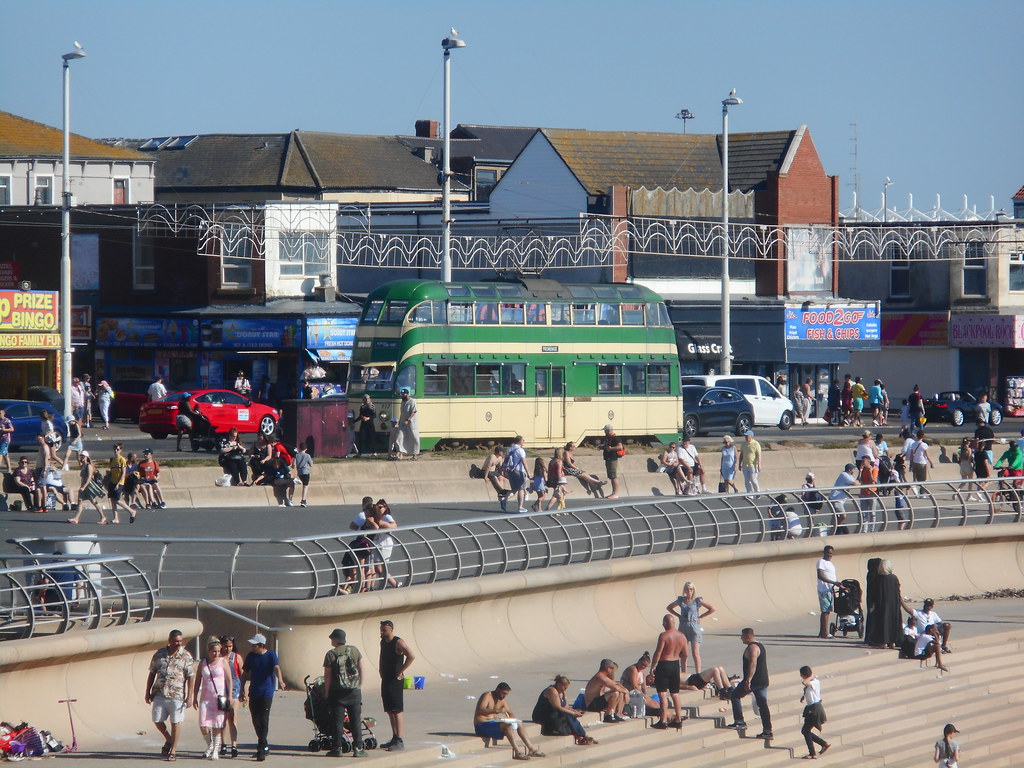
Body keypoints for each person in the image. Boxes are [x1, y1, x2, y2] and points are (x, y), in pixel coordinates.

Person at [145, 629, 195, 762]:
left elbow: (190, 677)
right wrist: (147, 692)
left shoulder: (186, 656)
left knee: (175, 722)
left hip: (176, 695)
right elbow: (152, 673)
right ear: (169, 641)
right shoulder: (159, 654)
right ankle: (169, 738)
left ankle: (173, 750)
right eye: (176, 641)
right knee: (157, 720)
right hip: (160, 693)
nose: (178, 643)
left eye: (180, 641)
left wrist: (190, 696)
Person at [322, 628, 367, 758]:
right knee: (355, 720)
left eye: (332, 638)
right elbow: (361, 668)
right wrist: (359, 685)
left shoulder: (331, 654)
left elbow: (327, 676)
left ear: (335, 640)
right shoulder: (354, 650)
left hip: (337, 693)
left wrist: (326, 691)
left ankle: (337, 748)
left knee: (338, 721)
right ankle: (358, 748)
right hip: (354, 691)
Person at [240, 633, 284, 761]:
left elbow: (277, 668)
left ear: (261, 645)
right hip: (254, 692)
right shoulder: (251, 656)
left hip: (266, 692)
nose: (252, 647)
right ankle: (264, 745)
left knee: (264, 718)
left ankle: (261, 748)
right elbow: (245, 673)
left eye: (254, 645)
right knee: (255, 719)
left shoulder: (270, 655)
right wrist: (242, 689)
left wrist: (280, 680)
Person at [473, 682, 545, 758]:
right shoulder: (487, 695)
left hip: (494, 723)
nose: (504, 696)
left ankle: (531, 749)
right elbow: (480, 710)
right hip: (482, 725)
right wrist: (496, 711)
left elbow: (511, 713)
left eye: (506, 694)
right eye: (503, 693)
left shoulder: (502, 700)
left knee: (519, 723)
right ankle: (517, 751)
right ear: (498, 690)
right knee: (507, 726)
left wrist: (511, 720)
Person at [727, 627, 773, 739]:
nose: (740, 638)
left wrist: (748, 680)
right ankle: (767, 731)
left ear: (748, 636)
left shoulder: (752, 647)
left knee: (735, 695)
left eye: (742, 636)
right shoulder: (760, 645)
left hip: (754, 681)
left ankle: (739, 721)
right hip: (763, 680)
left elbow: (753, 663)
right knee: (763, 705)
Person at [193, 636, 232, 760]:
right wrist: (194, 696)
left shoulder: (223, 662)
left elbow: (229, 680)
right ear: (209, 650)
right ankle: (210, 745)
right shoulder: (203, 663)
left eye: (218, 651)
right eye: (213, 651)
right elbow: (198, 680)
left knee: (216, 724)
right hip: (205, 698)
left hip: (218, 698)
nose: (216, 653)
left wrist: (230, 695)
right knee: (203, 725)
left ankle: (215, 749)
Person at [378, 620, 416, 751]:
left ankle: (400, 740)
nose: (382, 632)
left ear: (391, 630)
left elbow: (411, 656)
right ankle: (394, 737)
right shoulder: (383, 642)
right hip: (386, 679)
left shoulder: (398, 642)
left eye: (385, 630)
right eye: (381, 629)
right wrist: (380, 670)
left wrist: (401, 670)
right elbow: (382, 657)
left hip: (395, 680)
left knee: (397, 710)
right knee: (389, 710)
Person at [667, 581, 716, 674]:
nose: (689, 591)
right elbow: (669, 607)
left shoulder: (697, 601)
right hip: (683, 626)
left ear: (693, 590)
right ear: (684, 590)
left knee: (695, 653)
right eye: (687, 589)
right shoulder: (681, 600)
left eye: (691, 589)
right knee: (683, 653)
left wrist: (701, 617)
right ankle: (683, 672)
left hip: (694, 627)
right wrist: (678, 615)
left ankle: (698, 673)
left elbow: (712, 609)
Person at [649, 615, 688, 729]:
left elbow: (658, 652)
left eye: (663, 623)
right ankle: (678, 719)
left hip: (664, 664)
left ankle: (663, 720)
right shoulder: (682, 636)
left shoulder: (664, 635)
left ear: (666, 623)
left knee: (662, 694)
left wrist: (653, 666)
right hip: (675, 665)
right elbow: (685, 654)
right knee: (675, 694)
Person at [531, 675, 588, 743]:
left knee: (570, 717)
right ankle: (581, 735)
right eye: (564, 687)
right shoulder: (552, 691)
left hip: (555, 715)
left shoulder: (563, 692)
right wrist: (573, 713)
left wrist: (575, 711)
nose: (565, 690)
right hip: (544, 716)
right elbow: (557, 707)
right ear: (559, 684)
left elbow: (566, 706)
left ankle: (581, 734)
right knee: (568, 716)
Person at [865, 559, 902, 649]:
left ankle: (883, 641)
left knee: (882, 622)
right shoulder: (894, 578)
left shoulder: (878, 579)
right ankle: (892, 641)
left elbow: (874, 593)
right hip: (893, 605)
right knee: (892, 622)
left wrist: (872, 604)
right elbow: (898, 591)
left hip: (881, 604)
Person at [798, 665, 830, 759]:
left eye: (801, 674)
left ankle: (814, 752)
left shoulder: (815, 682)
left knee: (805, 731)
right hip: (811, 708)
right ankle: (823, 744)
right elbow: (808, 689)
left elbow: (804, 683)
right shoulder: (812, 681)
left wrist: (810, 676)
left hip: (815, 709)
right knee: (806, 731)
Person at [218, 636, 243, 759]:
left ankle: (234, 745)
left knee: (233, 717)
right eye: (226, 646)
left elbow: (242, 675)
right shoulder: (219, 658)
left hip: (235, 690)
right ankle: (223, 743)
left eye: (230, 646)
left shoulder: (236, 657)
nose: (228, 649)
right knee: (223, 718)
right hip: (222, 690)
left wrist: (243, 691)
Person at [583, 658, 630, 723]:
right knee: (615, 693)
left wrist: (625, 692)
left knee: (620, 692)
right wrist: (626, 691)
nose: (612, 671)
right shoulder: (600, 677)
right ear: (608, 668)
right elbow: (615, 687)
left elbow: (616, 684)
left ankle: (614, 714)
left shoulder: (602, 676)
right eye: (612, 668)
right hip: (592, 705)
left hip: (597, 702)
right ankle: (608, 715)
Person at [67, 452, 107, 524]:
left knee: (93, 501)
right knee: (80, 501)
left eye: (83, 456)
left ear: (86, 457)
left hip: (88, 486)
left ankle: (103, 517)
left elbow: (89, 478)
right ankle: (76, 518)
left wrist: (84, 487)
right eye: (80, 456)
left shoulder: (89, 466)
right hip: (83, 486)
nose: (81, 457)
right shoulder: (83, 466)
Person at [107, 444, 136, 523]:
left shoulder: (122, 459)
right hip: (112, 481)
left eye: (117, 449)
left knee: (117, 500)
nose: (116, 451)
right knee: (112, 500)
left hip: (119, 482)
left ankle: (131, 511)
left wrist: (118, 483)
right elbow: (111, 472)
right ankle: (116, 518)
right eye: (115, 449)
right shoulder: (112, 460)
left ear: (120, 450)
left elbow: (123, 473)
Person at [816, 545, 841, 639]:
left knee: (828, 610)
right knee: (825, 611)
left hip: (830, 589)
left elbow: (831, 576)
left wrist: (838, 584)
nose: (830, 555)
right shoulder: (821, 562)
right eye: (828, 553)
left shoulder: (830, 564)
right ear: (824, 552)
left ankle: (822, 631)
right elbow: (820, 576)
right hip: (824, 590)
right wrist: (833, 582)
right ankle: (825, 633)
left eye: (831, 553)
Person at [503, 436, 530, 514]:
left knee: (514, 489)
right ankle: (520, 507)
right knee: (521, 489)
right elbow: (524, 462)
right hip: (519, 471)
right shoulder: (520, 450)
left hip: (511, 471)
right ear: (520, 441)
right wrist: (528, 473)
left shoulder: (510, 449)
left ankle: (504, 500)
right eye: (523, 440)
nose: (524, 441)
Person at [828, 463, 859, 532]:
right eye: (853, 469)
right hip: (836, 499)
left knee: (836, 516)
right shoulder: (844, 475)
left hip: (840, 500)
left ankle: (834, 529)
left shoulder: (849, 476)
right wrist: (856, 482)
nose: (854, 471)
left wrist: (861, 471)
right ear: (849, 470)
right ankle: (836, 529)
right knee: (842, 515)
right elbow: (855, 483)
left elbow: (857, 482)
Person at [395, 388, 419, 460]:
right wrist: (400, 420)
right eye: (402, 394)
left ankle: (414, 455)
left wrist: (408, 420)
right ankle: (400, 453)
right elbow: (402, 412)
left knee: (413, 438)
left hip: (411, 423)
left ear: (407, 394)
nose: (402, 395)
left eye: (404, 394)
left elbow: (414, 412)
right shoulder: (402, 402)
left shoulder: (412, 401)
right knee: (399, 436)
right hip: (402, 422)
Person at [601, 424, 623, 499]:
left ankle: (616, 493)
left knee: (613, 476)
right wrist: (602, 447)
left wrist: (611, 448)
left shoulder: (615, 438)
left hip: (612, 458)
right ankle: (613, 492)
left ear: (609, 430)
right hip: (608, 458)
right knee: (611, 476)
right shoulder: (608, 438)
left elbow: (620, 447)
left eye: (605, 431)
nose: (604, 432)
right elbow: (607, 446)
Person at [292, 442, 312, 507]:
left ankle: (304, 500)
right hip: (306, 471)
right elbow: (311, 464)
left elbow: (293, 465)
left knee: (304, 484)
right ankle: (303, 500)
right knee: (305, 486)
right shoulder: (307, 456)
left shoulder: (296, 455)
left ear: (299, 448)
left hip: (300, 473)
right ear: (306, 449)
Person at [0, 407, 13, 473]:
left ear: (3, 413)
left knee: (0, 452)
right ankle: (9, 469)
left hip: (6, 439)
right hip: (0, 438)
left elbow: (12, 429)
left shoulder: (6, 420)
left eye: (0, 413)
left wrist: (3, 430)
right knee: (5, 454)